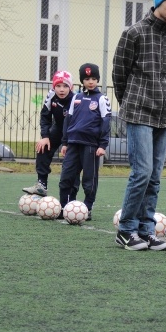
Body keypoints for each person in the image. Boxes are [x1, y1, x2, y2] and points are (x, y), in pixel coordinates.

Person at [111, 0, 166, 251]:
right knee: (141, 172)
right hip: (138, 112)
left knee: (155, 176)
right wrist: (129, 103)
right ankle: (126, 230)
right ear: (158, 2)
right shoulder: (134, 34)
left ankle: (146, 230)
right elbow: (119, 74)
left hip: (164, 114)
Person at [58, 63, 111, 221]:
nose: (91, 81)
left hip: (90, 145)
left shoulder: (101, 98)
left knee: (89, 179)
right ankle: (66, 206)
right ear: (82, 80)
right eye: (87, 78)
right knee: (67, 176)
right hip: (73, 142)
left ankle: (87, 207)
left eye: (94, 78)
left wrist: (102, 145)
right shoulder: (76, 97)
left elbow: (106, 122)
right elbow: (69, 120)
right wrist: (65, 142)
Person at [23, 70, 77, 196]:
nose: (61, 89)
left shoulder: (75, 99)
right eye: (58, 86)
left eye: (65, 86)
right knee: (42, 147)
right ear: (54, 87)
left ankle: (70, 194)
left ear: (71, 87)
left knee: (71, 161)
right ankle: (41, 185)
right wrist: (45, 137)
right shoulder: (51, 96)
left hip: (72, 131)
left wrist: (67, 142)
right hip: (58, 128)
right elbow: (45, 117)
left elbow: (76, 122)